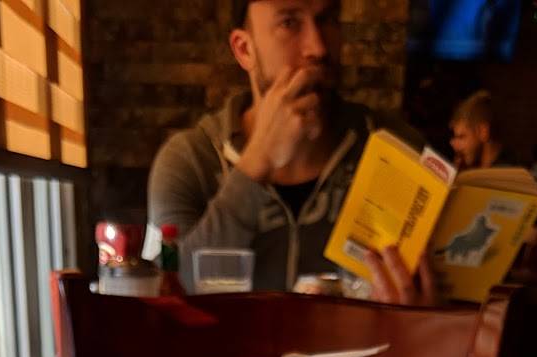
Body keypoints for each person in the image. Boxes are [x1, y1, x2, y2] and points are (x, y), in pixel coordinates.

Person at [148, 0, 430, 299]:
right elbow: (164, 297)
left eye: (328, 19)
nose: (318, 48)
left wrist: (420, 313)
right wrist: (256, 165)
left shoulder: (394, 147)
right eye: (289, 23)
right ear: (245, 49)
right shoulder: (190, 159)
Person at [448, 90, 514, 171]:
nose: (453, 144)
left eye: (462, 137)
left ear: (483, 132)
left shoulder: (507, 176)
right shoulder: (473, 171)